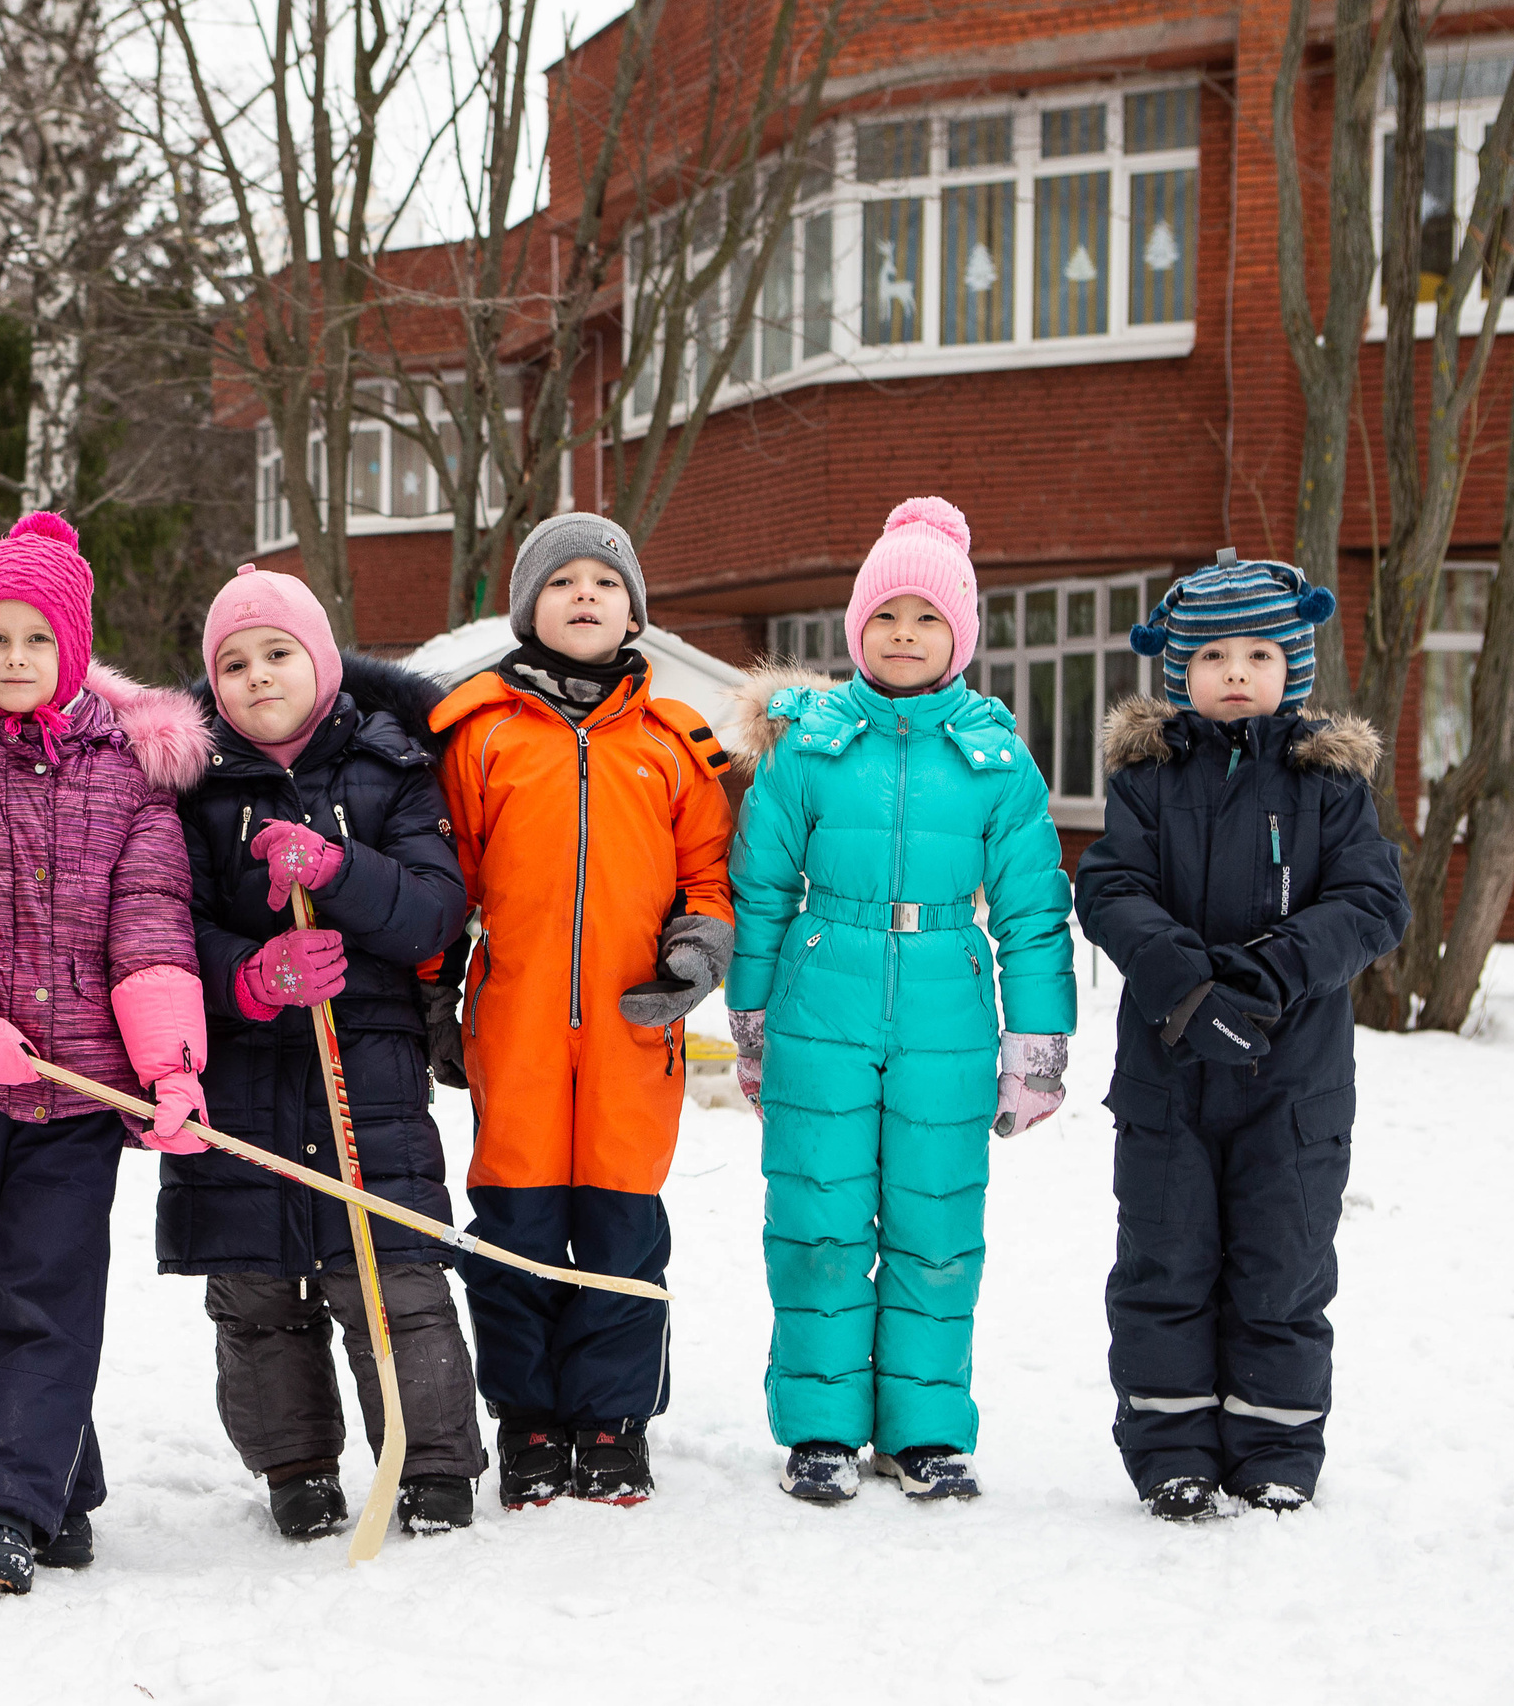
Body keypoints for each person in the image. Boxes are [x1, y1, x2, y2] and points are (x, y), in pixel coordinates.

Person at [0, 512, 212, 1594]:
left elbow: (150, 924)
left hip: (78, 1089)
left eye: (37, 641)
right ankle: (59, 1479)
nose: (16, 661)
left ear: (73, 651)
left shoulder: (128, 782)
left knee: (43, 1288)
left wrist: (167, 1066)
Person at [727, 496, 1075, 1505]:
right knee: (819, 1220)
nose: (905, 635)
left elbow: (1032, 915)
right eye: (886, 617)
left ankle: (924, 1428)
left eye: (927, 618)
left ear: (960, 634)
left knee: (933, 1223)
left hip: (945, 1012)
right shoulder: (808, 746)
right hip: (819, 1004)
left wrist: (1035, 1045)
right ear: (855, 629)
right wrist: (751, 1022)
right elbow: (759, 890)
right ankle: (823, 1425)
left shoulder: (996, 760)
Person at [1075, 552, 1408, 1521]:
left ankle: (1272, 1449)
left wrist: (1260, 981)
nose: (1234, 671)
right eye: (1212, 652)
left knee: (1281, 1265)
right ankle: (1170, 1448)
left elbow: (1370, 901)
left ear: (1291, 667)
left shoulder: (1326, 782)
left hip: (1293, 1085)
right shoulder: (1146, 778)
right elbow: (1109, 888)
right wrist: (1185, 983)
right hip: (1166, 1079)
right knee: (1164, 1260)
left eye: (1259, 652)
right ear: (1178, 668)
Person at [424, 513, 736, 1508]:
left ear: (633, 610)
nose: (586, 597)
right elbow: (448, 878)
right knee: (514, 1226)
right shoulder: (478, 734)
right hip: (512, 1027)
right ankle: (526, 1417)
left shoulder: (676, 742)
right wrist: (432, 989)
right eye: (562, 583)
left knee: (619, 1229)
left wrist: (696, 951)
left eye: (606, 582)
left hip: (632, 1029)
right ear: (527, 608)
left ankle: (610, 1419)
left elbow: (706, 874)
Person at [164, 564, 480, 1539]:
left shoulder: (391, 768)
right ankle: (294, 1464)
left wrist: (338, 871)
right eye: (234, 663)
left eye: (277, 654)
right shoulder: (190, 788)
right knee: (256, 1290)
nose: (258, 677)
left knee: (391, 1274)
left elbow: (433, 907)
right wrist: (249, 975)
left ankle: (429, 1463)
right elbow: (167, 925)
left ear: (323, 660)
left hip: (368, 1069)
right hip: (245, 1071)